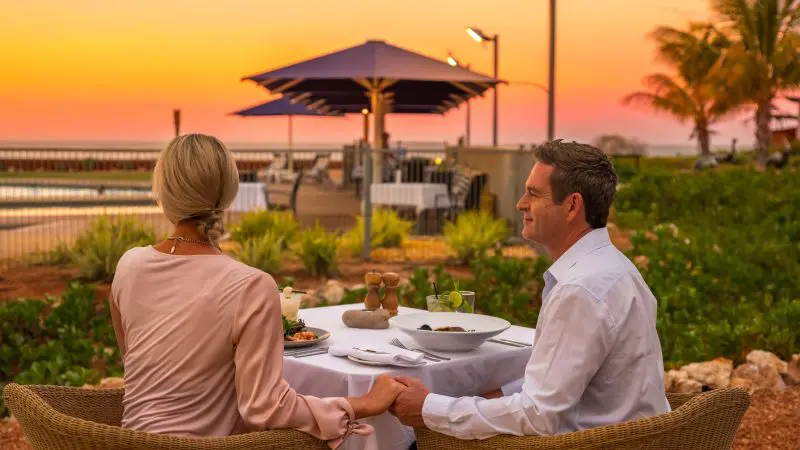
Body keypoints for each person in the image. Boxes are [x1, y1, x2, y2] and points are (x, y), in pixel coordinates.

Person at [109, 134, 405, 448]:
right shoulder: (249, 285)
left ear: (164, 193)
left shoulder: (129, 266)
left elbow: (142, 368)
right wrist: (364, 403)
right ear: (229, 194)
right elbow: (265, 408)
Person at [390, 140, 669, 439]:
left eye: (534, 194)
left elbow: (539, 417)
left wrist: (428, 409)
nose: (520, 203)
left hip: (594, 444)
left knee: (408, 441)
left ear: (573, 205)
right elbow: (567, 385)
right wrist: (500, 394)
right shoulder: (616, 268)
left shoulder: (580, 289)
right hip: (634, 438)